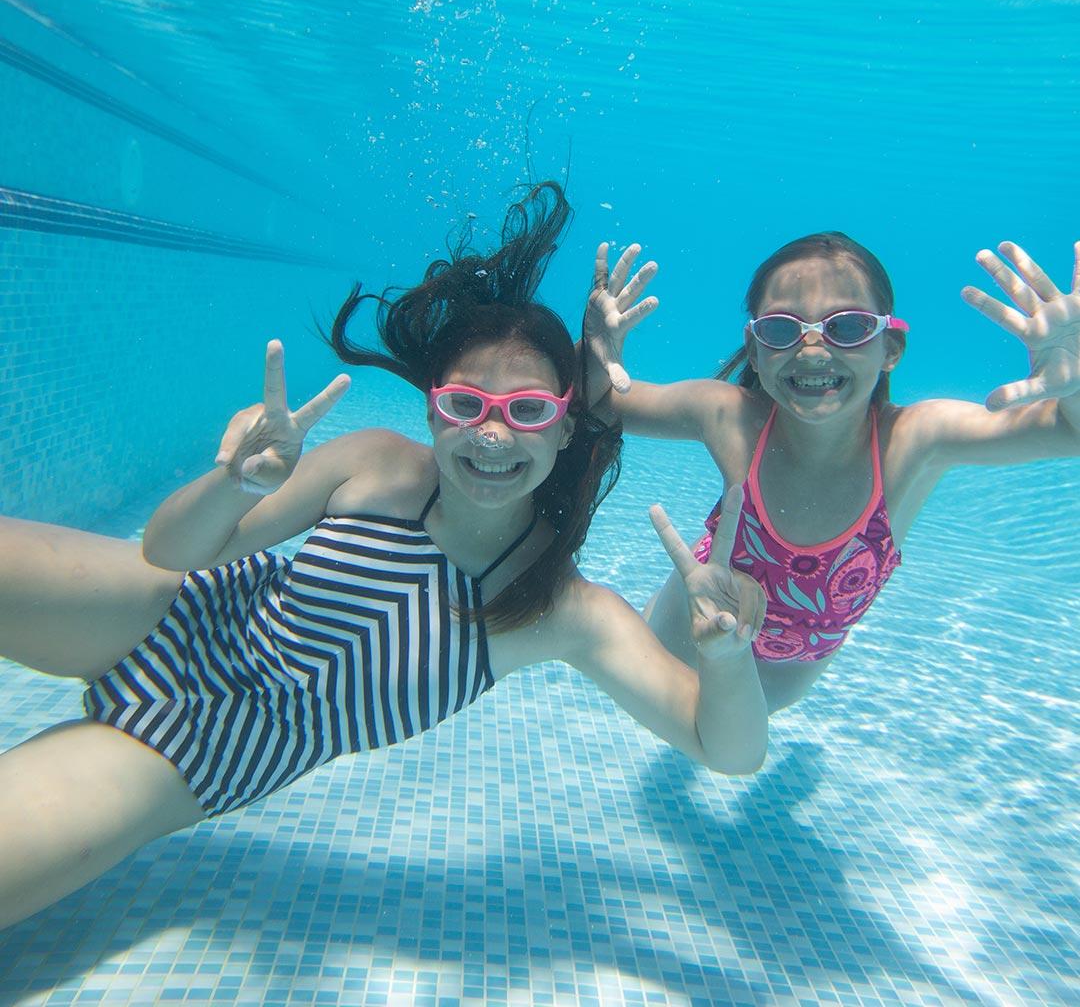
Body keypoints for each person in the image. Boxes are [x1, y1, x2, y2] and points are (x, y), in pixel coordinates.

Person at [0, 182, 767, 931]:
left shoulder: (563, 610)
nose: (492, 436)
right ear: (433, 408)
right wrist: (233, 485)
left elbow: (725, 750)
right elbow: (168, 554)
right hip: (167, 613)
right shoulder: (377, 463)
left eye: (528, 412)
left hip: (215, 748)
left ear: (566, 427)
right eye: (466, 406)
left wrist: (728, 661)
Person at [586, 231, 1080, 721]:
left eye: (847, 328)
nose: (813, 350)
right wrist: (592, 349)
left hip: (784, 675)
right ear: (755, 351)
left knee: (730, 745)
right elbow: (601, 402)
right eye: (781, 330)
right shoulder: (729, 417)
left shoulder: (916, 441)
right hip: (682, 632)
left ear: (891, 347)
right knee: (664, 720)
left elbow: (1067, 430)